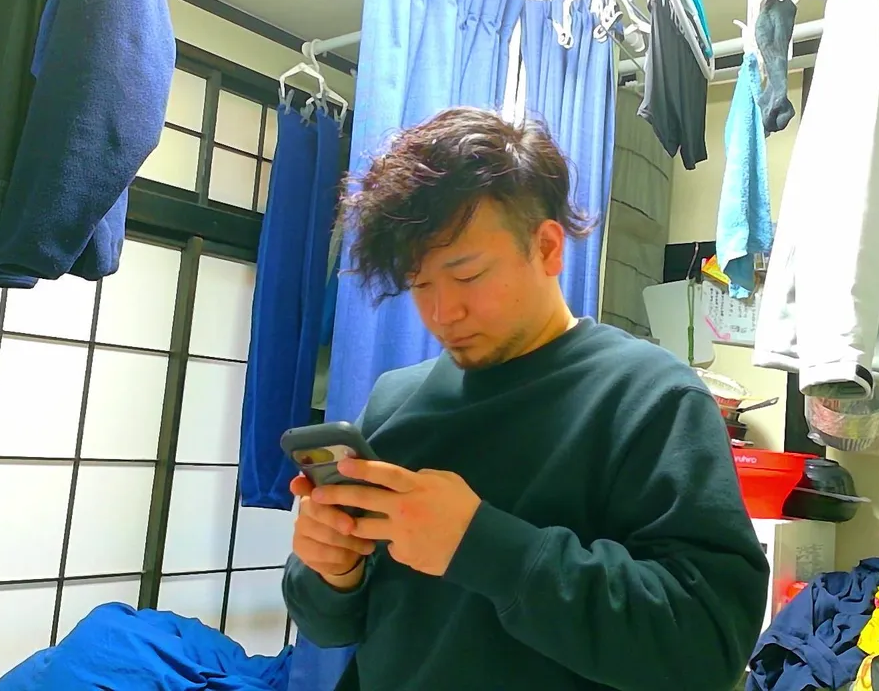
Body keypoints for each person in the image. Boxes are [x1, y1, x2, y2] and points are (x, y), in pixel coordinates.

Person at [282, 107, 770, 691]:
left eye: (467, 275)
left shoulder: (650, 398)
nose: (443, 312)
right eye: (419, 283)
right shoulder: (395, 399)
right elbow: (331, 625)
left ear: (547, 247)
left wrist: (483, 546)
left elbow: (706, 646)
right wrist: (331, 571)